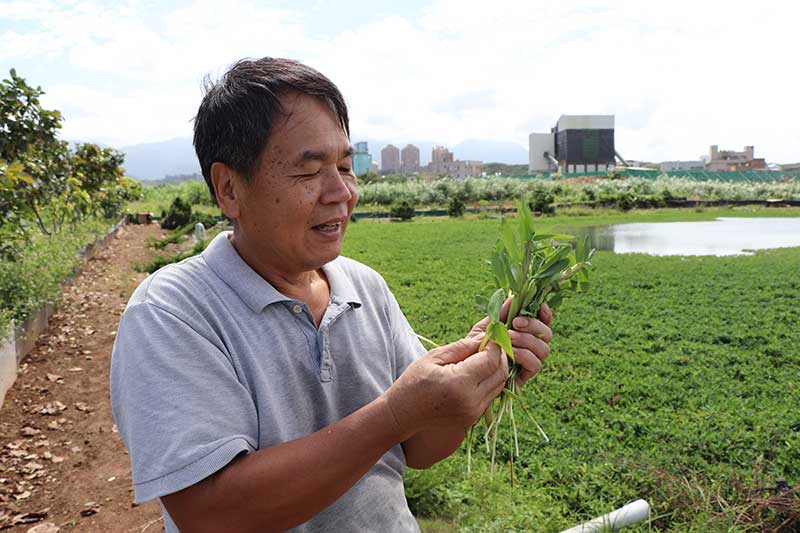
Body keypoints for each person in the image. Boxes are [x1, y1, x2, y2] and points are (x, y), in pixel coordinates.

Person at [110, 57, 553, 532]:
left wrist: (478, 380)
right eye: (309, 171)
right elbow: (209, 514)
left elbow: (420, 449)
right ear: (229, 188)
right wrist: (395, 413)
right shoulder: (173, 312)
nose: (341, 192)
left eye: (346, 166)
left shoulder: (364, 287)